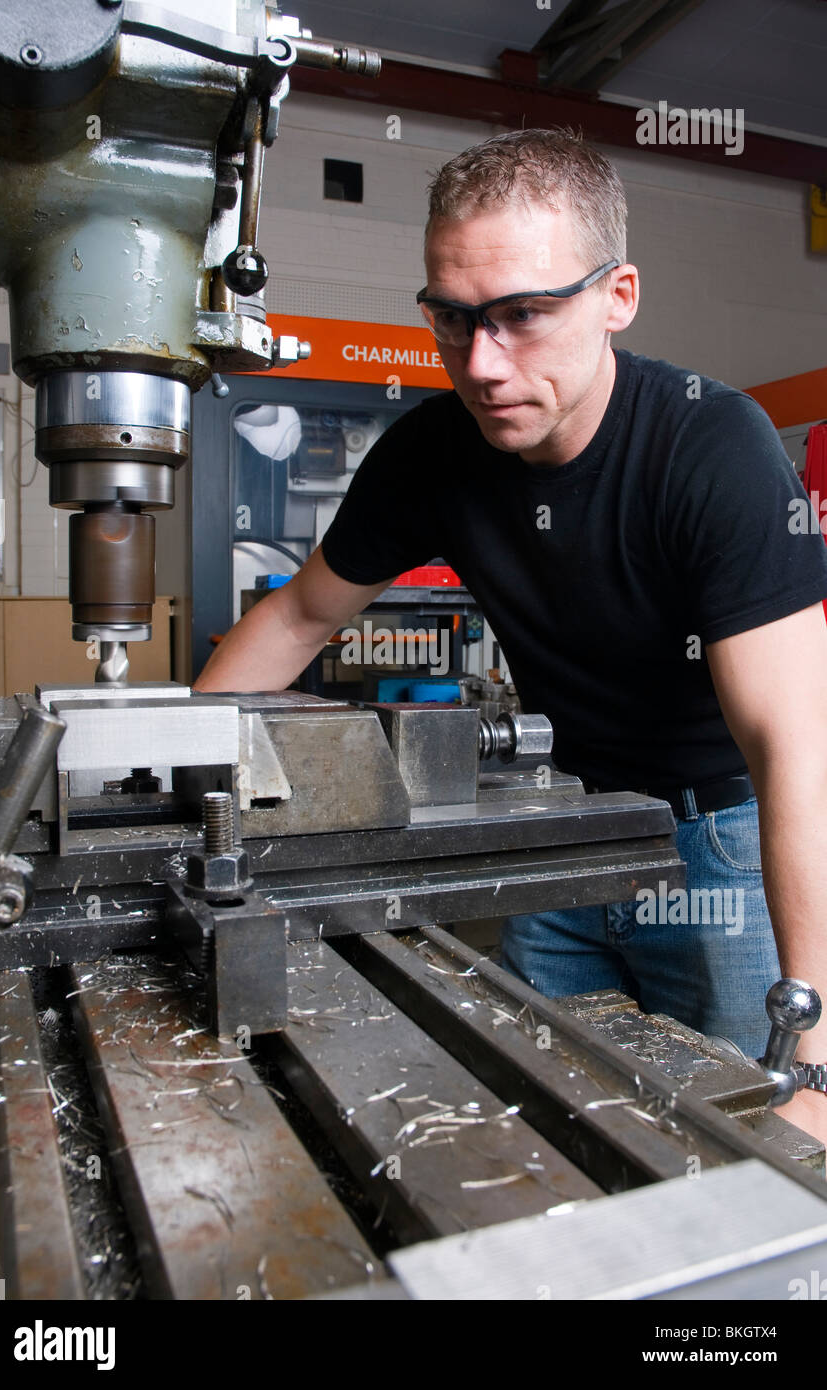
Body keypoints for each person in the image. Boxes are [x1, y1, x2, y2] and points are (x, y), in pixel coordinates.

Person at [196, 128, 827, 1145]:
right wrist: (177, 775)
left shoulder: (711, 446)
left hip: (723, 848)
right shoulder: (432, 454)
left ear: (615, 296)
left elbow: (794, 746)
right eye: (452, 320)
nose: (481, 364)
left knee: (738, 1146)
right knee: (550, 1119)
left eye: (524, 316)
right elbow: (297, 614)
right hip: (565, 827)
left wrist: (815, 1057)